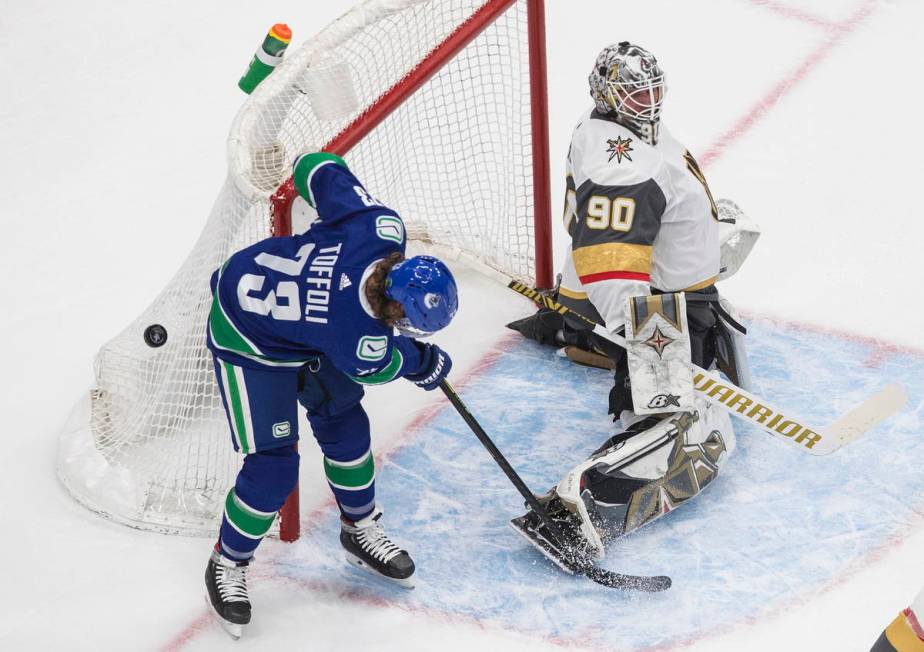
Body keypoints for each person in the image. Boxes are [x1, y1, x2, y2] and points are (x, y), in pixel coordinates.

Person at [507, 42, 752, 564]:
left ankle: (579, 337)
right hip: (653, 307)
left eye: (652, 89)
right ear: (606, 95)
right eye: (633, 92)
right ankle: (573, 516)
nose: (646, 100)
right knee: (694, 432)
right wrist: (646, 341)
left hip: (642, 292)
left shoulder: (617, 131)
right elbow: (608, 260)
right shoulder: (622, 166)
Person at [203, 151, 457, 637]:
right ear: (392, 305)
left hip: (303, 328)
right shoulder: (357, 339)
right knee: (273, 468)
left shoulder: (379, 228)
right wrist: (425, 362)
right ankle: (227, 563)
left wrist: (300, 174)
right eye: (406, 323)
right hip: (249, 337)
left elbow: (316, 165)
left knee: (346, 425)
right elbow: (395, 360)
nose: (405, 331)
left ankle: (358, 529)